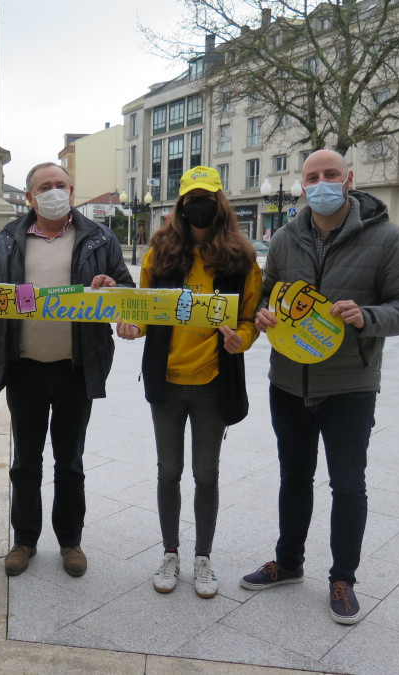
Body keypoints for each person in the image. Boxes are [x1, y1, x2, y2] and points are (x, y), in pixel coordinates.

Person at [239, 149, 399, 624]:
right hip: (287, 380)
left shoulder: (385, 238)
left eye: (330, 174)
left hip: (350, 385)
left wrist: (368, 317)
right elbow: (266, 293)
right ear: (302, 186)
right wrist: (261, 313)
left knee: (348, 485)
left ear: (349, 179)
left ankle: (343, 578)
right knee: (293, 478)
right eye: (312, 177)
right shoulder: (283, 238)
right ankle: (288, 563)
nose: (321, 183)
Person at [0, 162, 134, 578]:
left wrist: (112, 291)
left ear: (72, 190)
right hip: (23, 367)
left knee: (70, 460)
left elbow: (129, 291)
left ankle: (70, 541)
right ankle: (23, 540)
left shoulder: (99, 238)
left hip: (75, 367)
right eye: (45, 186)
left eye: (61, 185)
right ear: (30, 197)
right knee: (26, 461)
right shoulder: (8, 239)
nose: (54, 191)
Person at [117, 166, 262, 598]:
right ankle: (170, 552)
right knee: (168, 471)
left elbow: (251, 318)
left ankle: (203, 557)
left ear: (220, 203)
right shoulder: (158, 253)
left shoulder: (241, 258)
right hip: (167, 381)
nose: (198, 205)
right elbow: (143, 313)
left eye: (207, 196)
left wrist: (243, 340)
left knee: (206, 473)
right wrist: (130, 327)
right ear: (180, 205)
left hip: (214, 383)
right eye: (190, 197)